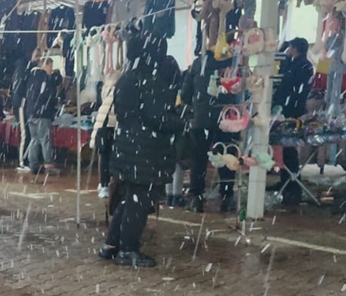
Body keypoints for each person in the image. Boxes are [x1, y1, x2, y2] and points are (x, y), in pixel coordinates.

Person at [101, 32, 184, 268]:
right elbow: (158, 118)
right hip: (145, 152)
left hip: (127, 147)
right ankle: (128, 250)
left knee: (129, 199)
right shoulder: (150, 81)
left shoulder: (127, 79)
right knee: (138, 203)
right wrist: (182, 122)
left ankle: (112, 245)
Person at [181, 50, 239, 213]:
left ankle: (196, 198)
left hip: (201, 119)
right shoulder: (232, 62)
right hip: (226, 119)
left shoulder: (198, 63)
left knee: (198, 160)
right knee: (226, 158)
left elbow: (185, 94)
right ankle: (227, 197)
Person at [272, 38, 314, 206]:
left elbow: (288, 83)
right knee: (284, 146)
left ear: (295, 49)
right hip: (287, 108)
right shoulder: (294, 63)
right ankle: (286, 179)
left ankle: (293, 184)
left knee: (289, 146)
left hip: (293, 110)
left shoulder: (302, 66)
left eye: (290, 47)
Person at [19, 55, 64, 175]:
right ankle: (48, 164)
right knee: (45, 139)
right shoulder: (44, 77)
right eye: (51, 66)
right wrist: (57, 75)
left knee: (35, 139)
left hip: (30, 113)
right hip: (42, 113)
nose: (51, 69)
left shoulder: (30, 77)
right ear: (45, 65)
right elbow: (52, 88)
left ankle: (33, 163)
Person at [90, 69, 121, 198]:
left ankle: (104, 183)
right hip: (110, 127)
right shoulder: (118, 92)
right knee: (110, 158)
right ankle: (106, 184)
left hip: (102, 127)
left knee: (103, 157)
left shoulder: (106, 91)